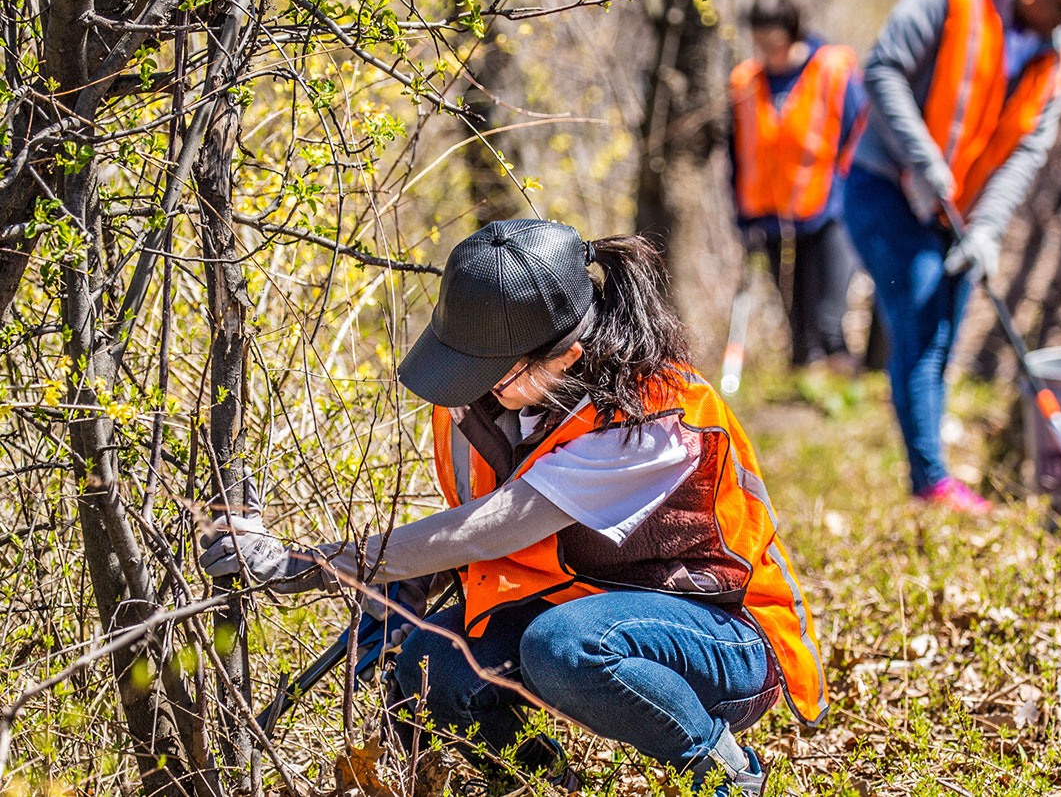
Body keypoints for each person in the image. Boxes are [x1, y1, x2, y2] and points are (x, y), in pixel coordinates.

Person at [199, 219, 827, 795]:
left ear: (565, 358)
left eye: (491, 373)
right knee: (431, 669)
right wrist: (397, 600)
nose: (473, 390)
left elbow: (485, 530)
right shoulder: (491, 404)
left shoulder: (651, 421)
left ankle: (723, 770)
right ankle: (551, 784)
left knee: (563, 648)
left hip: (724, 638)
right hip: (583, 613)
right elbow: (458, 542)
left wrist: (300, 563)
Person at [842, 0, 1061, 514]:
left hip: (958, 210)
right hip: (884, 186)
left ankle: (931, 474)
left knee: (943, 336)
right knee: (922, 325)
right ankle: (930, 480)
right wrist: (923, 160)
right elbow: (881, 69)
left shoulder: (1054, 55)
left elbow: (1026, 153)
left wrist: (987, 229)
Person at [728, 0, 868, 376]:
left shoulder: (831, 70)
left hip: (828, 206)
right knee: (795, 310)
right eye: (758, 38)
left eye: (771, 37)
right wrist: (743, 215)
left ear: (789, 32)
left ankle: (844, 381)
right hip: (771, 213)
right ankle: (805, 380)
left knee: (830, 309)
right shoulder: (747, 82)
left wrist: (851, 193)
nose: (765, 48)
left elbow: (859, 133)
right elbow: (737, 151)